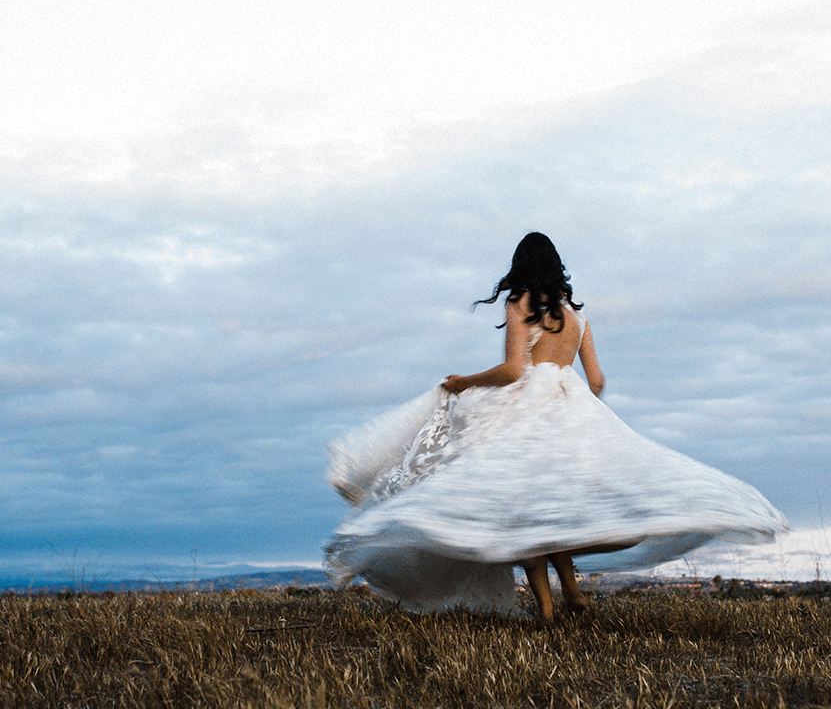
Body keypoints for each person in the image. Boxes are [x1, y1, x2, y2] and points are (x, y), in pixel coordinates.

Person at [324, 232, 787, 621]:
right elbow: (598, 380)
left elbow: (511, 372)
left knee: (519, 508)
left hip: (528, 410)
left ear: (520, 267)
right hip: (571, 406)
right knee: (551, 505)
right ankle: (574, 596)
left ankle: (547, 606)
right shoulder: (577, 315)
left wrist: (464, 382)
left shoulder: (521, 304)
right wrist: (577, 407)